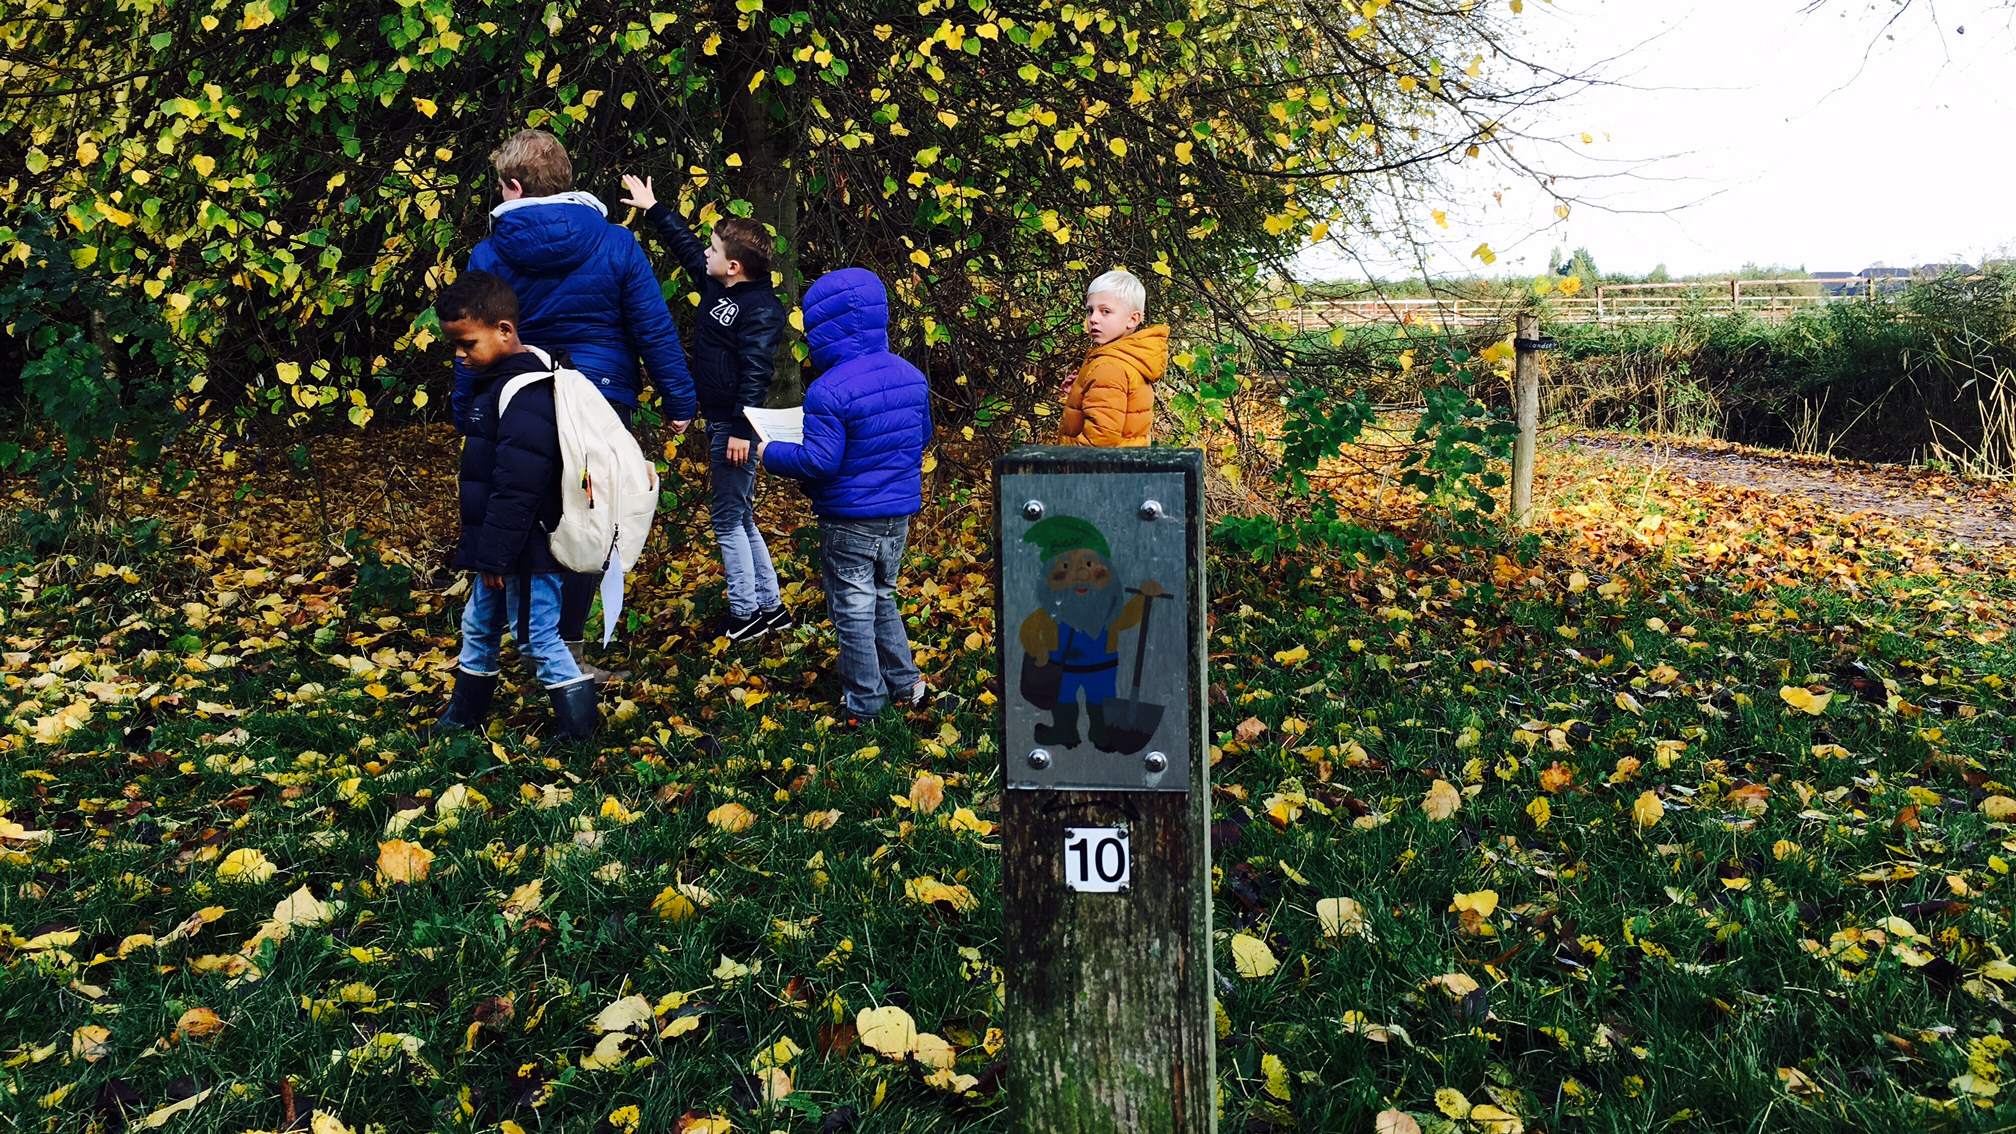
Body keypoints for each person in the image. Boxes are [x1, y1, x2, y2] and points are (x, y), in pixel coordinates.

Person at [454, 129, 699, 683]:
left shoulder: (490, 252)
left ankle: (521, 635)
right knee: (589, 518)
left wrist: (465, 406)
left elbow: (471, 340)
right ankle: (568, 649)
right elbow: (653, 329)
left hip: (517, 401)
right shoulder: (616, 243)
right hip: (602, 402)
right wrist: (679, 399)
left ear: (514, 186)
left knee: (522, 507)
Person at [618, 173, 790, 642]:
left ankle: (745, 613)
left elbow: (756, 372)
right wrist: (654, 209)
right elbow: (687, 248)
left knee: (727, 519)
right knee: (740, 515)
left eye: (716, 251)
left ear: (734, 266)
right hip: (722, 421)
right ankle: (770, 607)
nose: (707, 255)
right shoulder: (719, 286)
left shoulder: (761, 309)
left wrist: (739, 429)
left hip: (736, 428)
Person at [757, 268, 933, 726]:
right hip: (898, 513)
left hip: (848, 519)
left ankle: (865, 701)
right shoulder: (910, 376)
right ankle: (905, 682)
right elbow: (923, 435)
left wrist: (770, 451)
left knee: (852, 609)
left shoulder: (828, 390)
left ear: (822, 329)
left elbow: (819, 462)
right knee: (883, 596)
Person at [429, 271, 599, 740]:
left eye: (467, 344)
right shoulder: (495, 381)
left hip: (526, 549)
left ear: (505, 330)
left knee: (537, 635)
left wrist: (497, 555)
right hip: (503, 547)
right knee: (479, 625)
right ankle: (463, 717)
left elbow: (518, 486)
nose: (461, 357)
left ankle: (580, 729)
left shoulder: (525, 393)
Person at [1057, 269, 1168, 447]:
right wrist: (1078, 394)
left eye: (1105, 311)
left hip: (1096, 472)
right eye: (1090, 310)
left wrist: (1061, 464)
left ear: (1132, 319)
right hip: (1123, 467)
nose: (1093, 319)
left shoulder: (1110, 367)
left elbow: (1098, 442)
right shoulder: (1131, 358)